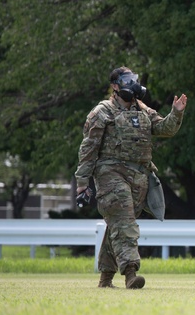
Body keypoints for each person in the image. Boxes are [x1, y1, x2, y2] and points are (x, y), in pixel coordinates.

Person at [74, 67, 187, 289]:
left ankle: (105, 279)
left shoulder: (142, 110)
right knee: (125, 223)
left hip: (139, 177)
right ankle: (130, 273)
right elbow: (88, 149)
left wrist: (177, 112)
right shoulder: (102, 112)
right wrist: (82, 183)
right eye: (127, 80)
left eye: (133, 80)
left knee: (117, 225)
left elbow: (164, 128)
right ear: (115, 86)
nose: (132, 84)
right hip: (110, 174)